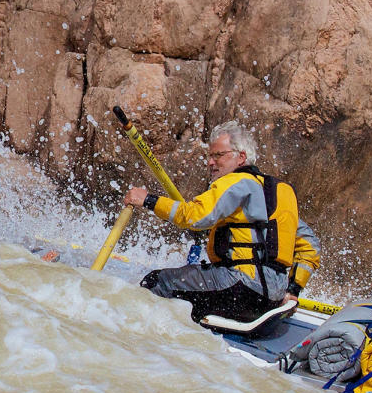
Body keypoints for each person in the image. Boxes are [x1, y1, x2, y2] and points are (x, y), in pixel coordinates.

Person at [123, 120, 317, 323]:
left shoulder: (235, 182)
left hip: (238, 291)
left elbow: (194, 216)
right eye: (209, 156)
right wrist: (293, 289)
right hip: (273, 298)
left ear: (241, 157)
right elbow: (311, 246)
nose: (210, 162)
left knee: (156, 281)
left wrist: (148, 200)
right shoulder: (281, 193)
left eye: (218, 155)